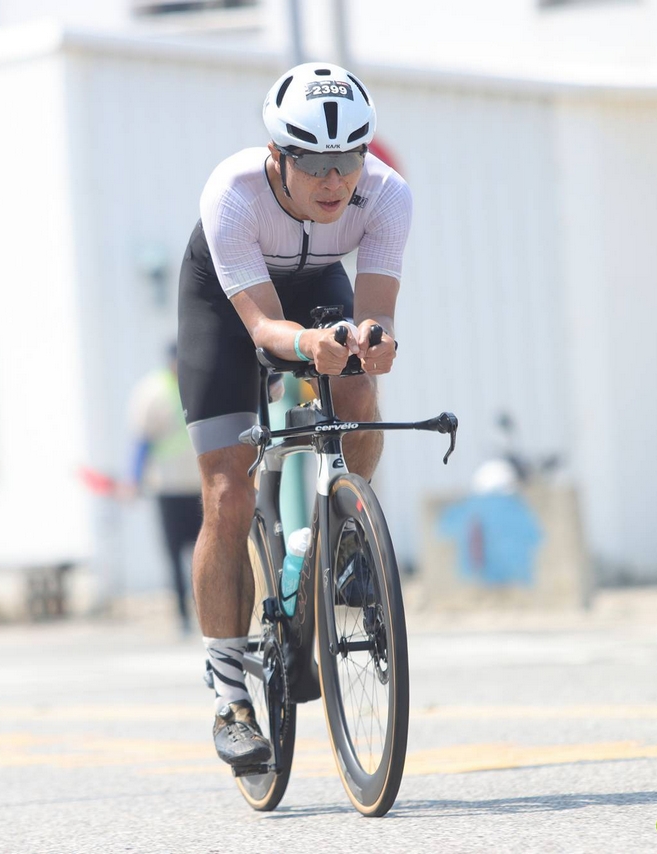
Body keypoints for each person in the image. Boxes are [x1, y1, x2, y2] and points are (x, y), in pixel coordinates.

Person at [177, 62, 412, 767]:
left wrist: (374, 341)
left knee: (358, 390)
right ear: (277, 155)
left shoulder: (388, 196)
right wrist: (310, 344)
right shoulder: (233, 194)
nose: (335, 181)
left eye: (348, 160)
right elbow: (264, 332)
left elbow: (376, 314)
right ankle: (229, 698)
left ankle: (345, 534)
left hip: (316, 285)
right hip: (228, 306)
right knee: (227, 491)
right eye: (314, 163)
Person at [125, 344, 204, 635]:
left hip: (197, 484)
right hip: (168, 487)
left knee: (202, 551)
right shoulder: (153, 391)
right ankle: (182, 616)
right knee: (174, 555)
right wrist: (133, 478)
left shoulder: (197, 381)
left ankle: (203, 610)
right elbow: (141, 441)